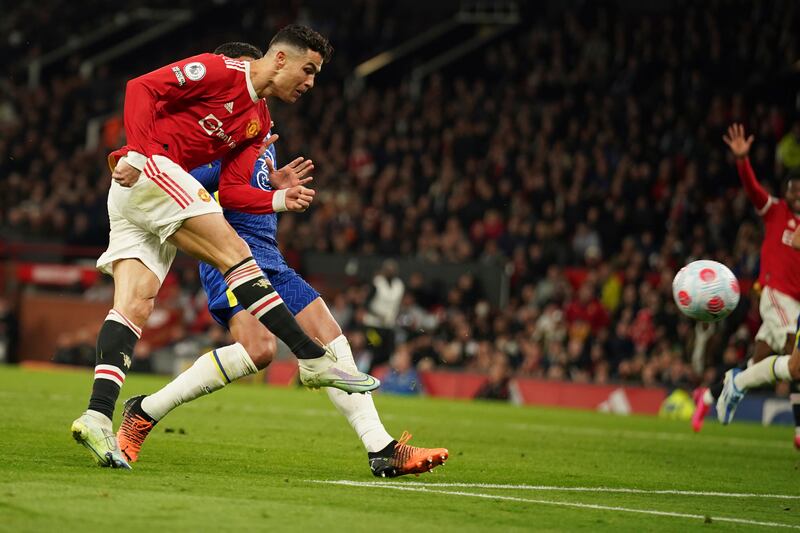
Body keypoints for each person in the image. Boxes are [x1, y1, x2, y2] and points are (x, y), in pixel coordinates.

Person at [116, 42, 447, 478]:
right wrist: (271, 193)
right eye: (304, 70)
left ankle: (145, 411)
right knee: (292, 342)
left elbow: (242, 190)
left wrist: (273, 188)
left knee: (292, 342)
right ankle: (380, 447)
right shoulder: (216, 128)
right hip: (230, 252)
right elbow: (199, 185)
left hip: (267, 253)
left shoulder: (261, 129)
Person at [71, 25, 379, 470]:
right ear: (279, 59)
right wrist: (137, 151)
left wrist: (277, 199)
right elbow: (140, 87)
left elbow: (233, 193)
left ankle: (98, 416)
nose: (311, 83)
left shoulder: (260, 122)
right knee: (236, 254)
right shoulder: (221, 70)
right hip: (149, 170)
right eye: (308, 70)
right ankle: (312, 358)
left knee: (134, 305)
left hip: (141, 196)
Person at [693, 124, 800, 447]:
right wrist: (742, 161)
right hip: (776, 294)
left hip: (794, 301)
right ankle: (798, 431)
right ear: (786, 193)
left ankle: (711, 395)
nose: (797, 195)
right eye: (793, 190)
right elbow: (753, 189)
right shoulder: (776, 211)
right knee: (793, 354)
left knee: (759, 362)